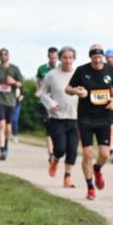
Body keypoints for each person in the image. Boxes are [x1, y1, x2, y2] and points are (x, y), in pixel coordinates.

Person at [66, 44, 113, 200]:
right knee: (87, 154)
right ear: (90, 57)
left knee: (104, 155)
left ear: (103, 56)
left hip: (104, 117)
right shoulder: (82, 71)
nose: (97, 60)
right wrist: (76, 91)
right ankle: (90, 187)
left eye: (99, 57)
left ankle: (97, 169)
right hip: (85, 118)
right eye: (94, 57)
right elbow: (67, 88)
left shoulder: (110, 69)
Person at [39, 47, 80, 188]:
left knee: (73, 150)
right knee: (60, 149)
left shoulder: (78, 74)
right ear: (60, 58)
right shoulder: (52, 75)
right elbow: (42, 93)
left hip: (75, 118)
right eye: (65, 58)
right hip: (57, 118)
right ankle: (55, 160)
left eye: (70, 57)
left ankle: (67, 177)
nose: (68, 60)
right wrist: (50, 103)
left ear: (74, 59)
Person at [0, 48, 24, 160]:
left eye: (5, 54)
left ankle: (6, 145)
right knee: (2, 125)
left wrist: (13, 82)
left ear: (8, 56)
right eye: (1, 54)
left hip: (11, 101)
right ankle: (2, 150)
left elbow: (21, 83)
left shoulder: (14, 69)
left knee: (8, 128)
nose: (3, 56)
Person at [36, 46, 59, 159]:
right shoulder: (42, 69)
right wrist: (39, 92)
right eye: (51, 58)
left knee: (57, 127)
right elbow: (38, 82)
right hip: (45, 102)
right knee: (49, 127)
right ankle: (51, 153)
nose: (53, 60)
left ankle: (56, 149)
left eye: (55, 58)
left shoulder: (61, 69)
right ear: (48, 57)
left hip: (58, 102)